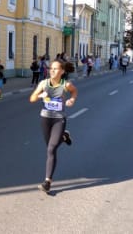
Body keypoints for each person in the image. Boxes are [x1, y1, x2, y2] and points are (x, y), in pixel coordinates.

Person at [29, 59, 78, 194]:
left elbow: (74, 92)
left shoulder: (66, 85)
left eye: (56, 69)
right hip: (45, 118)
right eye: (51, 68)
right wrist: (40, 95)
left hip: (58, 119)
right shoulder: (44, 83)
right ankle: (65, 136)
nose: (52, 70)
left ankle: (47, 182)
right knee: (49, 145)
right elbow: (31, 99)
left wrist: (72, 99)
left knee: (51, 149)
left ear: (62, 71)